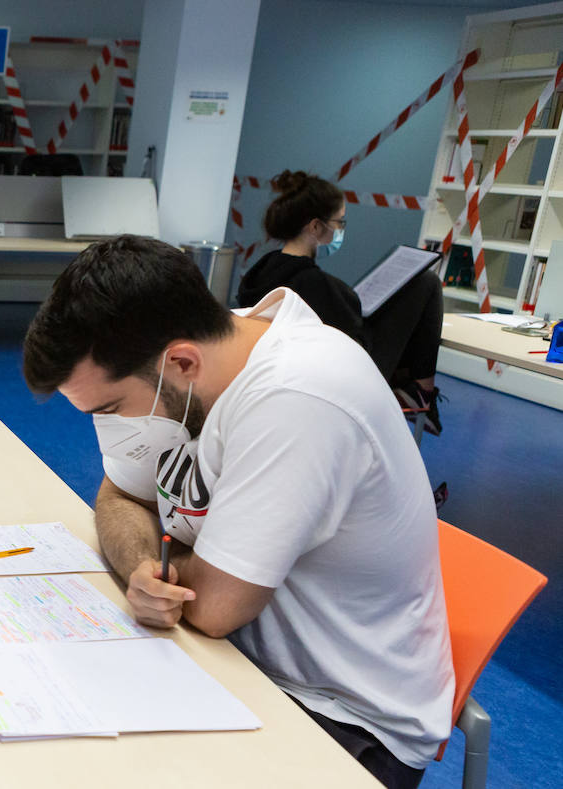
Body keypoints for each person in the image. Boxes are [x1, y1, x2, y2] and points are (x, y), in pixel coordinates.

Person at [22, 236, 453, 789]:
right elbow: (120, 497)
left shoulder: (296, 396)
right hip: (238, 662)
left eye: (110, 408)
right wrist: (139, 568)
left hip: (341, 716)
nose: (109, 427)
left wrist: (170, 568)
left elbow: (217, 607)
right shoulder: (199, 366)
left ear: (180, 361)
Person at [236, 170, 445, 434]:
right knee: (426, 283)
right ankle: (422, 393)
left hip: (275, 374)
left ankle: (417, 391)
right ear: (315, 226)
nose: (340, 230)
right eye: (339, 222)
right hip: (339, 380)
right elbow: (352, 347)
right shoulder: (316, 285)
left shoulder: (260, 271)